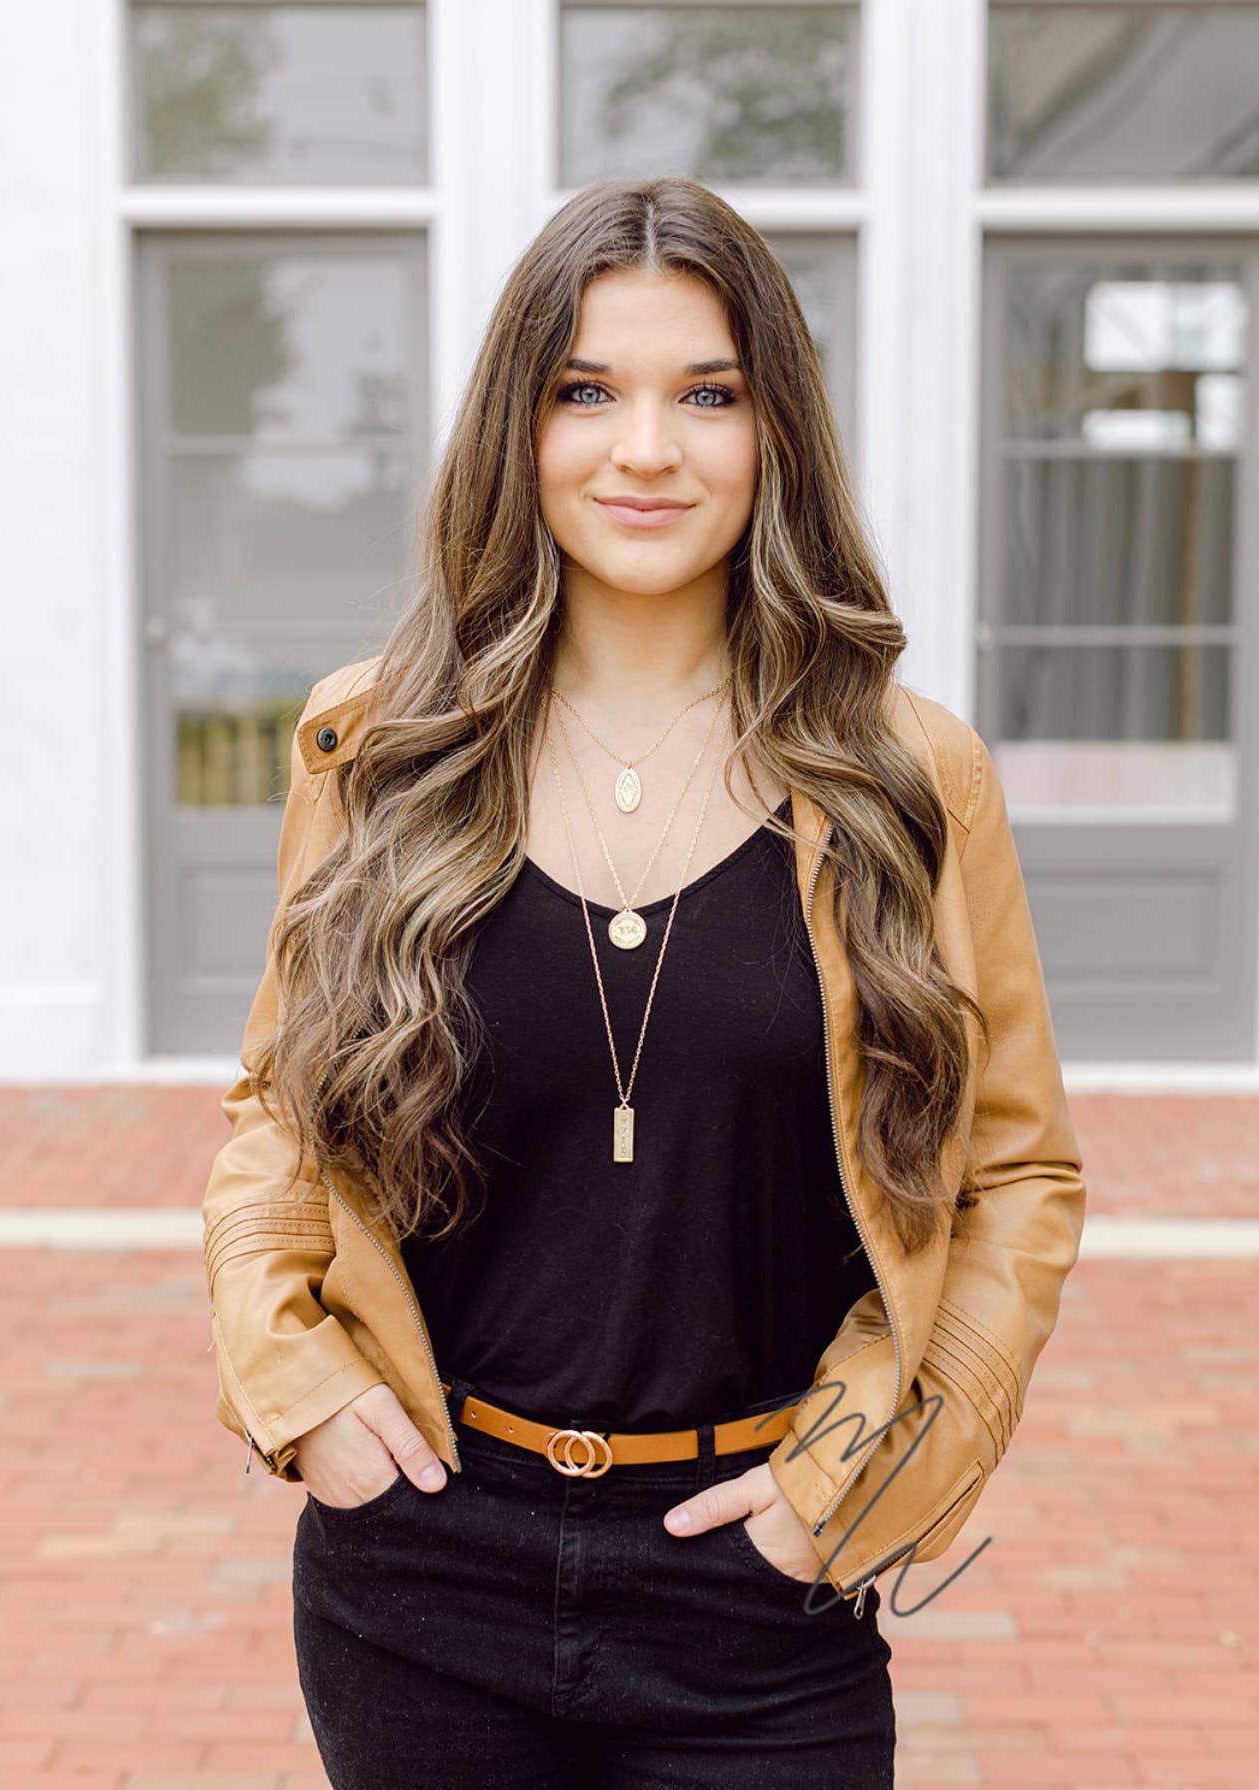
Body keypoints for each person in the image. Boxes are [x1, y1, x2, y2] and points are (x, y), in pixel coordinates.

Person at [201, 174, 1086, 1790]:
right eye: (586, 391)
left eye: (709, 394)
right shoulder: (378, 748)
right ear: (516, 428)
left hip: (760, 1591)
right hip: (421, 1574)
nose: (646, 449)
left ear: (776, 431)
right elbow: (279, 1105)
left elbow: (1016, 1173)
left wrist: (852, 1482)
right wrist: (295, 1379)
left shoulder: (906, 776)